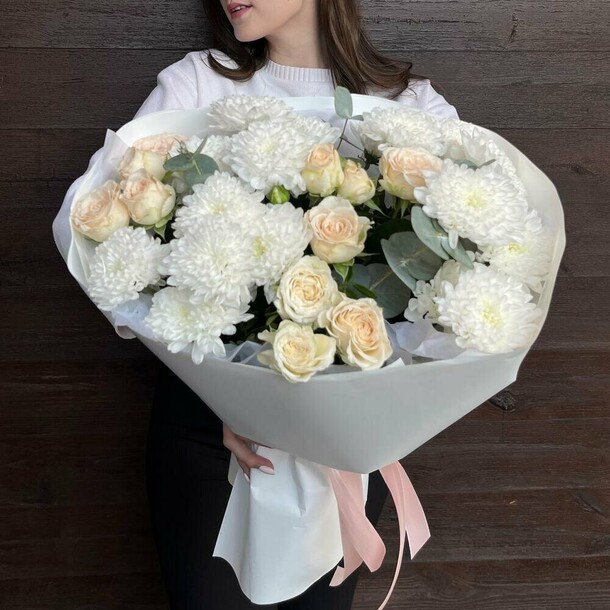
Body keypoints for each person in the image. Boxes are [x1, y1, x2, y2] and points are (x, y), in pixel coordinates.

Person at [53, 0, 459, 608]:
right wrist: (230, 388)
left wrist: (355, 389)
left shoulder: (409, 106)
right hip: (208, 431)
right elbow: (84, 231)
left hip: (342, 443)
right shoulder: (199, 83)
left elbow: (477, 270)